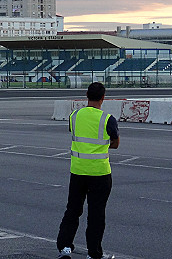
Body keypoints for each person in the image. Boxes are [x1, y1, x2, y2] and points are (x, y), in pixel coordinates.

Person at [57, 82, 119, 259]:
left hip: (77, 171)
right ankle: (94, 253)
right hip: (100, 172)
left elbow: (75, 134)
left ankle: (65, 248)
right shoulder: (107, 119)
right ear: (103, 98)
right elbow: (115, 143)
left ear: (87, 96)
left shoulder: (74, 116)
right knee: (96, 214)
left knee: (73, 210)